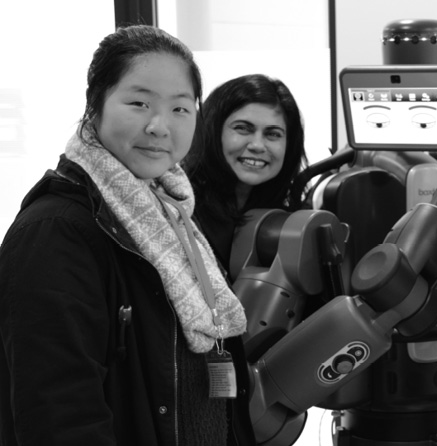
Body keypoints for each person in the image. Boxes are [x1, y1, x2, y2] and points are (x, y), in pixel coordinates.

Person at [0, 25, 254, 445]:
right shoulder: (56, 232)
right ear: (94, 105)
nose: (160, 126)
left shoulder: (171, 212)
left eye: (180, 109)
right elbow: (60, 414)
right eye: (139, 103)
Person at [181, 73, 308, 273]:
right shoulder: (182, 211)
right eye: (242, 129)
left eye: (273, 134)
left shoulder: (286, 216)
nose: (257, 145)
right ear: (213, 131)